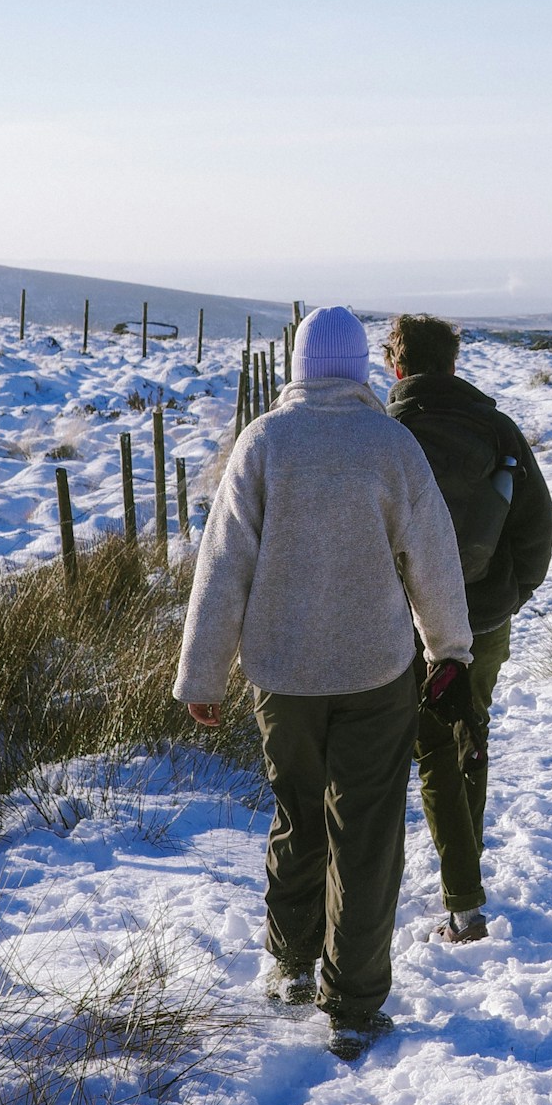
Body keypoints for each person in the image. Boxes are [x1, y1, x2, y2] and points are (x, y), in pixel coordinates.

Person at [176, 304, 473, 1061]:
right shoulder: (391, 444)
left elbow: (223, 567)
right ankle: (355, 1002)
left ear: (299, 367)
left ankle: (289, 964)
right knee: (366, 833)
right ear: (359, 370)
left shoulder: (264, 443)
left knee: (298, 815)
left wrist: (202, 674)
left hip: (281, 674)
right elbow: (431, 556)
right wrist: (450, 651)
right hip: (378, 671)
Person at [383, 313, 552, 941]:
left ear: (396, 366)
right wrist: (511, 594)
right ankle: (465, 878)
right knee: (468, 734)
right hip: (483, 617)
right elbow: (537, 523)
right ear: (453, 364)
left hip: (402, 622)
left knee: (430, 747)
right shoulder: (497, 429)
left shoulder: (386, 433)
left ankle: (463, 899)